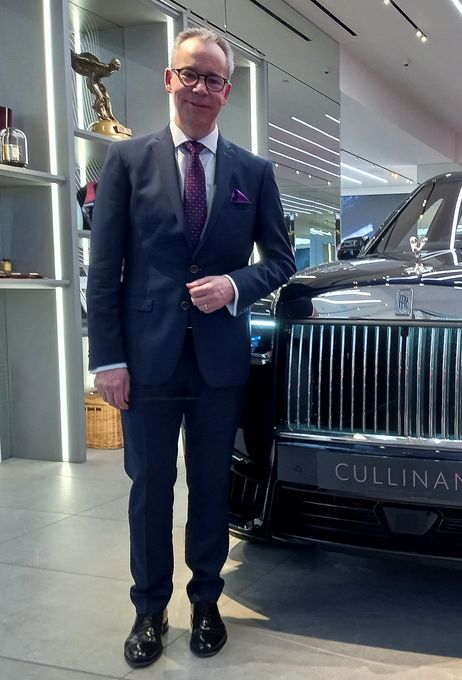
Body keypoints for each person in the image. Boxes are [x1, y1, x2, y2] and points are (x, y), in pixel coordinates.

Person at [87, 27, 296, 669]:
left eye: (213, 79)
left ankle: (206, 601)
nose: (201, 87)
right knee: (150, 487)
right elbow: (105, 270)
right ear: (169, 80)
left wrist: (236, 284)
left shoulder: (253, 172)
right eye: (191, 74)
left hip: (219, 363)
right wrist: (108, 360)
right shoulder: (124, 162)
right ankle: (149, 610)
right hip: (144, 363)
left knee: (210, 487)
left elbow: (281, 259)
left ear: (227, 93)